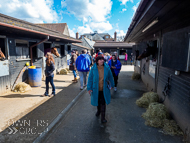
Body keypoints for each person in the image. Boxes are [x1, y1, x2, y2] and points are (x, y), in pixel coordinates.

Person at [87, 56, 114, 123]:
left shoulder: (107, 68)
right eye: (100, 60)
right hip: (96, 89)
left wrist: (112, 85)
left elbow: (110, 77)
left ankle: (103, 118)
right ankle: (98, 111)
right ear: (97, 61)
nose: (102, 61)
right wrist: (89, 88)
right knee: (98, 102)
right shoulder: (93, 69)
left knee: (103, 103)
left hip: (104, 89)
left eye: (103, 60)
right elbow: (90, 79)